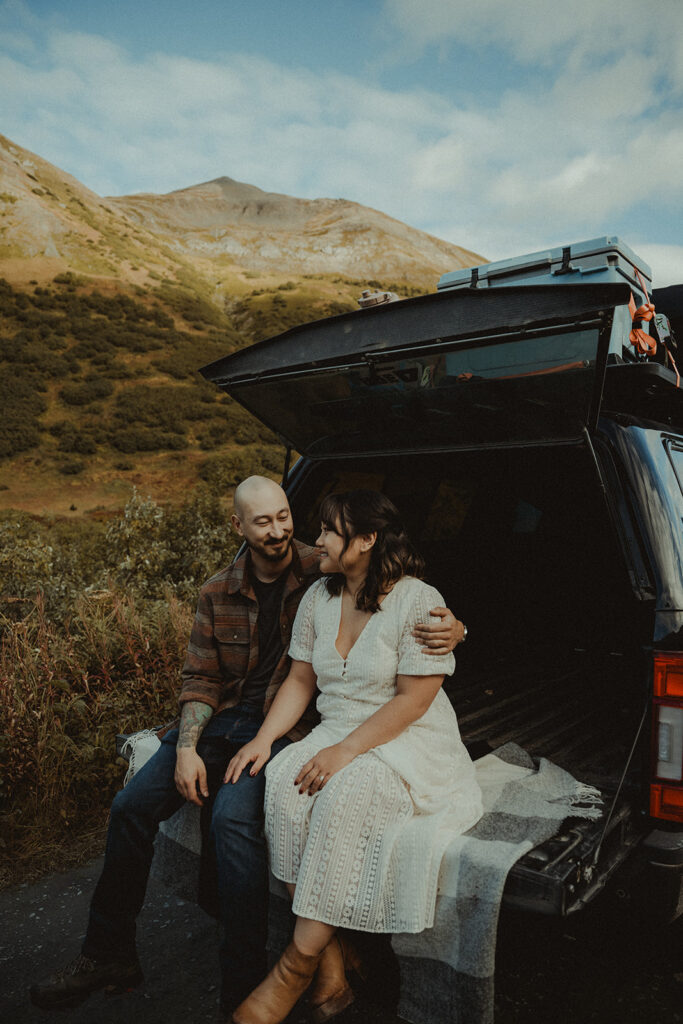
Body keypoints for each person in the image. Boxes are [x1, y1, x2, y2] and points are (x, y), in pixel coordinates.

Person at [30, 476, 465, 1017]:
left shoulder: (322, 566)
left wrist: (457, 629)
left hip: (292, 727)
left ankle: (247, 981)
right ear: (238, 527)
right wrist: (187, 747)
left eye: (287, 517)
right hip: (220, 726)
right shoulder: (223, 591)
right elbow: (200, 680)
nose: (283, 530)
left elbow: (404, 603)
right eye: (264, 522)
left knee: (233, 821)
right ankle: (107, 954)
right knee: (130, 807)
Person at [225, 489, 483, 1024]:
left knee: (342, 795)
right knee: (282, 783)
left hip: (405, 737)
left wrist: (345, 752)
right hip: (339, 728)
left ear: (366, 541)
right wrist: (264, 740)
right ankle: (332, 964)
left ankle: (293, 970)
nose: (316, 540)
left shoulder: (419, 601)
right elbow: (300, 680)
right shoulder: (319, 597)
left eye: (329, 530)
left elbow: (414, 700)